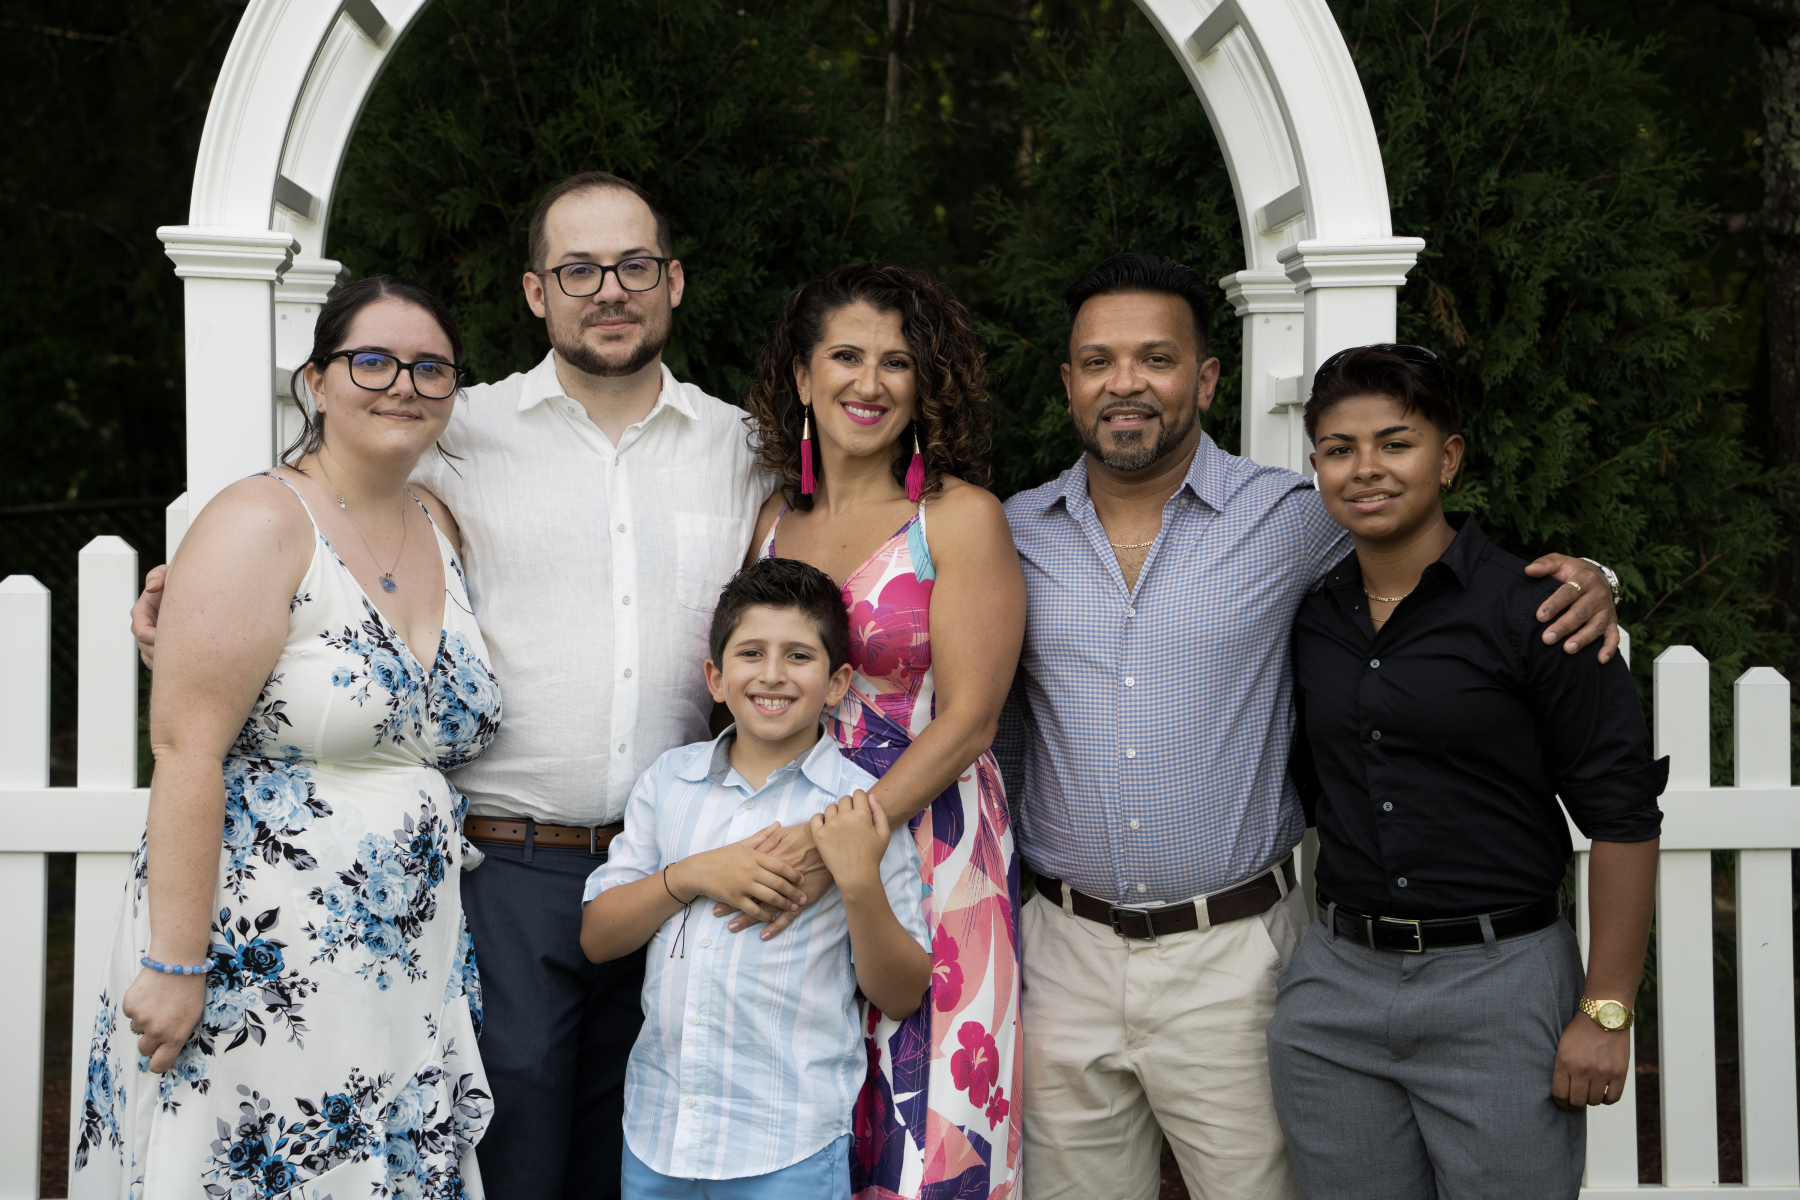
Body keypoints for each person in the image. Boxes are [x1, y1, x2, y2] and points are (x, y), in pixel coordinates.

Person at [130, 171, 773, 1200]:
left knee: (639, 1158)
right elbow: (315, 510)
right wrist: (191, 595)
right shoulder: (450, 426)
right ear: (536, 292)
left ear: (675, 280)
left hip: (673, 867)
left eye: (634, 265)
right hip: (505, 869)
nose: (610, 289)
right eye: (578, 270)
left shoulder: (742, 449)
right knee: (504, 1153)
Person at [994, 253, 1622, 1200]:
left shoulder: (1292, 518)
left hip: (1234, 955)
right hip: (1061, 954)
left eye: (1157, 358)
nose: (1126, 383)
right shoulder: (1010, 533)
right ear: (1069, 381)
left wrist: (1600, 577)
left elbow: (1445, 561)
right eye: (1097, 361)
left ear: (1207, 378)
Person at [74, 276, 498, 1198]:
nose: (403, 384)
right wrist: (177, 964)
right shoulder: (260, 520)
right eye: (372, 361)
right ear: (316, 381)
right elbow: (186, 749)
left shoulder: (437, 523)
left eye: (430, 367)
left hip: (402, 955)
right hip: (260, 953)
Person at [1265, 345, 1664, 1199]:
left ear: (1448, 458)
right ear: (1317, 466)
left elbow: (1625, 815)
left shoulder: (1541, 611)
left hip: (1501, 985)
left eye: (1395, 443)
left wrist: (1607, 1010)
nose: (1366, 468)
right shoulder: (1311, 617)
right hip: (1336, 990)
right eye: (1339, 449)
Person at [740, 262, 1026, 1198]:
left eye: (896, 363)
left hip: (933, 843)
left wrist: (844, 844)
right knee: (805, 1115)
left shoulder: (958, 519)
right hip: (791, 837)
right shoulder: (774, 520)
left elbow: (972, 718)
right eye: (846, 357)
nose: (869, 383)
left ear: (923, 383)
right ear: (802, 376)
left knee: (930, 1123)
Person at [580, 557, 932, 1200]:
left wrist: (857, 880)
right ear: (716, 677)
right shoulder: (669, 782)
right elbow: (598, 937)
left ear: (837, 682)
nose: (772, 673)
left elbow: (903, 992)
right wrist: (691, 875)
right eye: (750, 653)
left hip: (788, 1145)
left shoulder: (859, 809)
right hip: (660, 1135)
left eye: (799, 655)